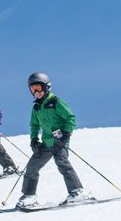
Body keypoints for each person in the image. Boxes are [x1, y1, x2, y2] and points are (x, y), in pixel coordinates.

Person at [16, 72, 91, 209]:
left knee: (62, 163)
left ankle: (77, 192)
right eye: (33, 89)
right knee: (32, 166)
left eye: (38, 88)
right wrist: (34, 140)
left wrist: (66, 134)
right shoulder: (36, 107)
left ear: (46, 87)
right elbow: (34, 125)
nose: (36, 92)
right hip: (46, 142)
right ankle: (29, 196)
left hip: (59, 140)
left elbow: (70, 117)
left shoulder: (55, 102)